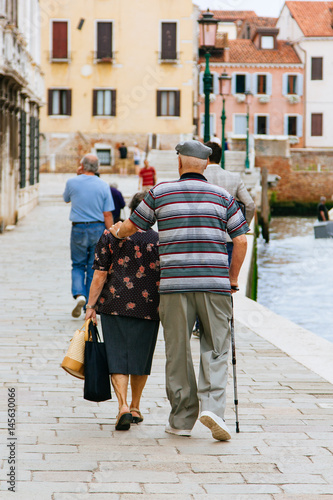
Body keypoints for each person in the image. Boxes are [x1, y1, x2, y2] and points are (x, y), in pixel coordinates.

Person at [109, 140, 249, 441]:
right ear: (207, 165)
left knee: (177, 352)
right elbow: (240, 240)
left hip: (174, 287)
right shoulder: (223, 196)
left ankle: (182, 419)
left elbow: (134, 226)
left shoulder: (161, 192)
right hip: (214, 285)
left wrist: (117, 231)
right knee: (216, 345)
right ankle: (212, 408)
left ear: (180, 164)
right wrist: (232, 279)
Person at [84, 192, 160, 431]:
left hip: (114, 304)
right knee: (141, 357)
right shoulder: (160, 240)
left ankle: (123, 407)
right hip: (149, 307)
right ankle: (136, 407)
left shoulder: (110, 236)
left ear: (131, 210)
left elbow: (99, 274)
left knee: (117, 356)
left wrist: (90, 306)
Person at [63, 154, 114, 318]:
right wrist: (112, 234)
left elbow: (66, 199)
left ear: (82, 166)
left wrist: (78, 176)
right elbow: (107, 214)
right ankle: (89, 304)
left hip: (78, 228)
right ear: (97, 168)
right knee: (95, 266)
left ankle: (79, 295)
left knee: (78, 264)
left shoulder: (72, 182)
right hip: (98, 228)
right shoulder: (103, 185)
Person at [204, 141, 255, 265]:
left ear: (206, 157)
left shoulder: (199, 177)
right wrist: (241, 229)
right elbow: (250, 205)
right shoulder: (234, 178)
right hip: (228, 238)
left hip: (204, 239)